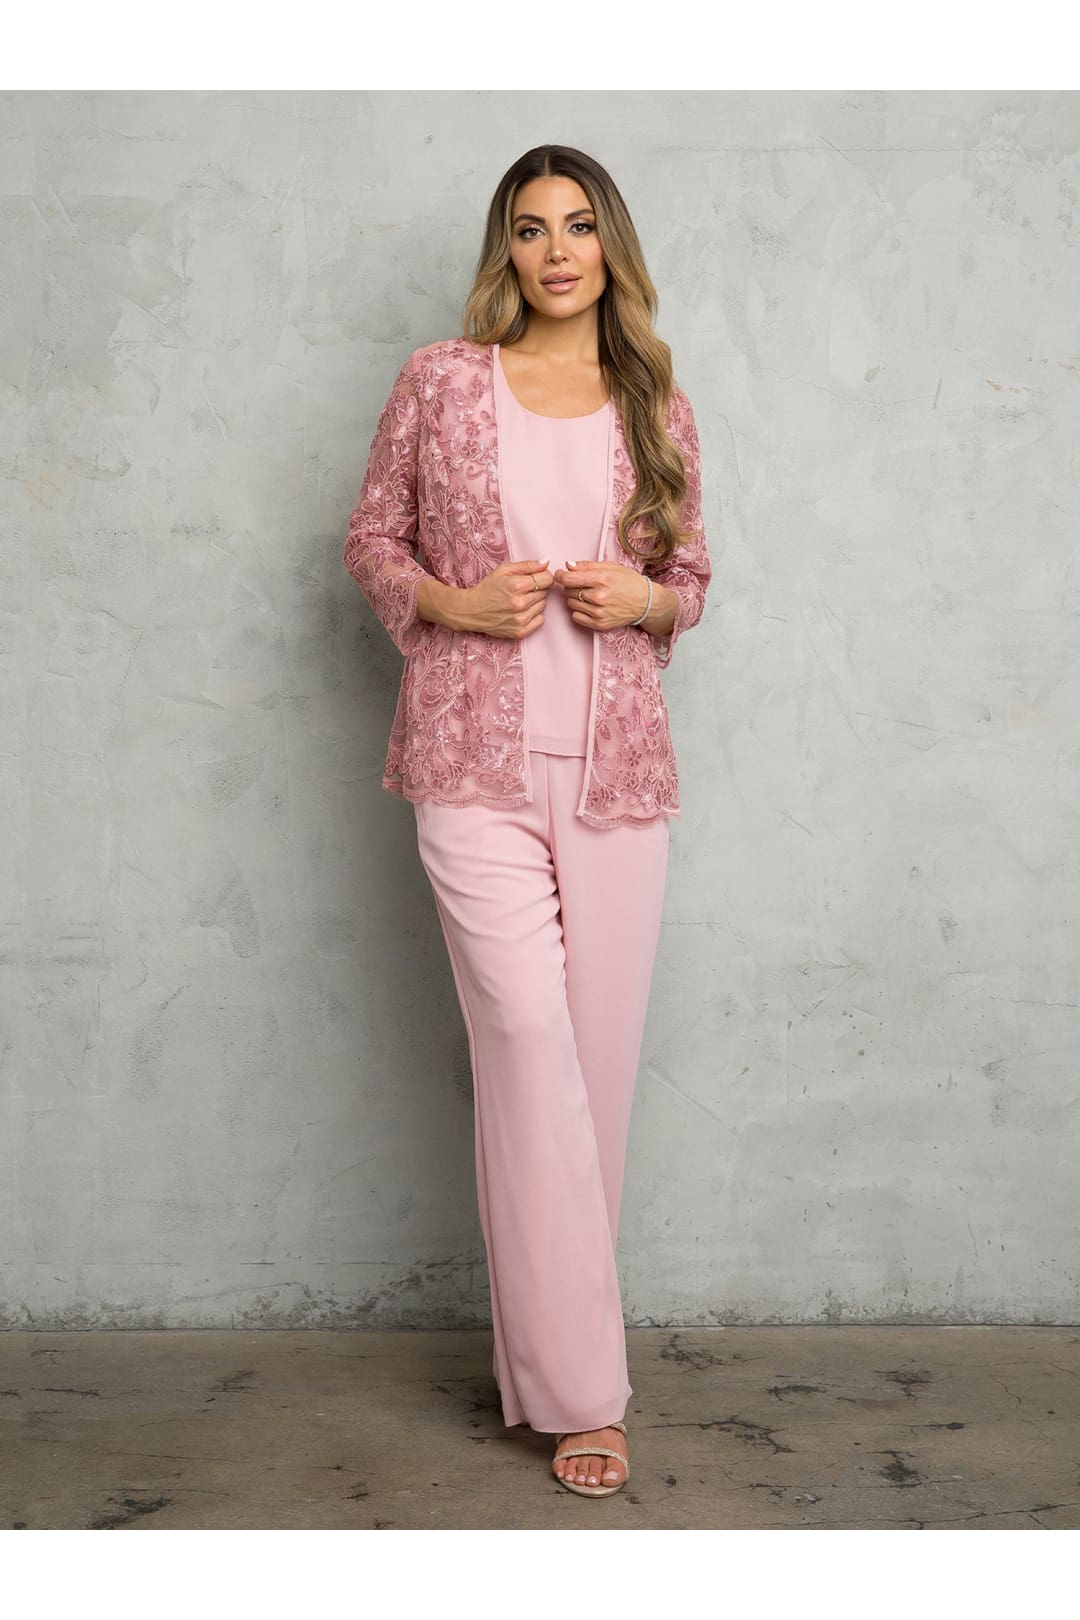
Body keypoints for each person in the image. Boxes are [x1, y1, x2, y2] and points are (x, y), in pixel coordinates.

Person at [343, 144, 711, 1499]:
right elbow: (371, 539)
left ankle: (553, 1369)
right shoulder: (440, 381)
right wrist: (452, 603)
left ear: (611, 247)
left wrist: (645, 600)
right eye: (531, 228)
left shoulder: (654, 400)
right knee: (528, 1045)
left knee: (592, 1080)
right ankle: (585, 1396)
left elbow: (693, 576)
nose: (557, 251)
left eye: (579, 226)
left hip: (617, 775)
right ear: (505, 250)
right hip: (469, 765)